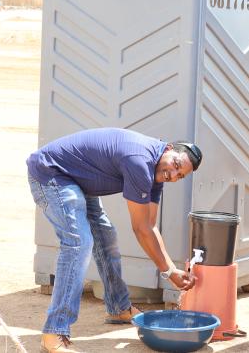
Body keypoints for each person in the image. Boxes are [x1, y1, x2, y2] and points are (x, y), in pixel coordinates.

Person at [27, 127, 203, 353]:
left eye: (180, 176)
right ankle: (54, 332)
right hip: (52, 174)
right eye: (176, 165)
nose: (173, 175)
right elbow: (140, 229)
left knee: (105, 236)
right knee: (78, 243)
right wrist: (169, 272)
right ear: (168, 149)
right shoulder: (140, 162)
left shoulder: (156, 172)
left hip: (77, 179)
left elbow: (149, 226)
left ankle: (118, 307)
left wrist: (170, 270)